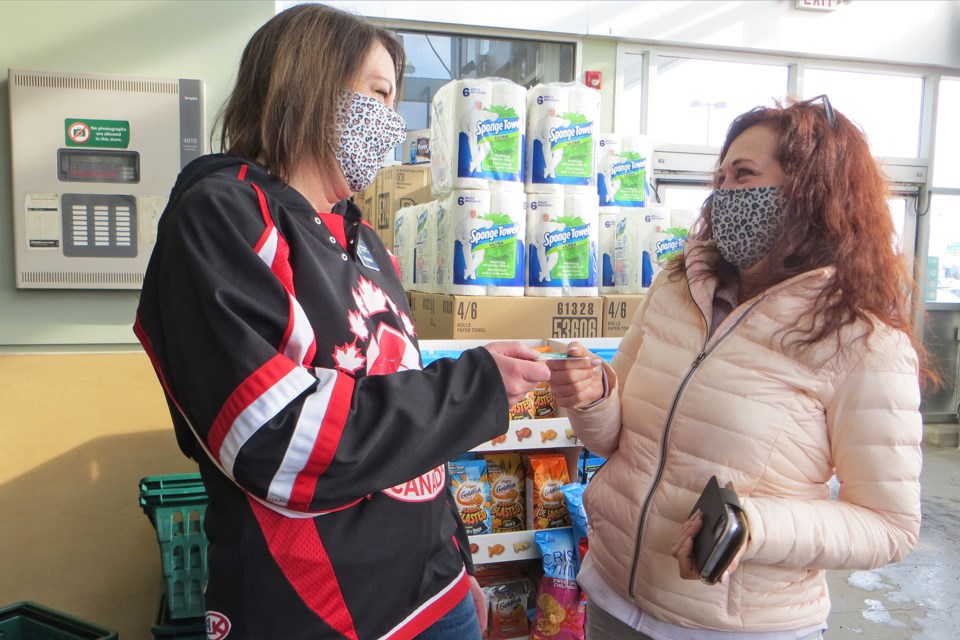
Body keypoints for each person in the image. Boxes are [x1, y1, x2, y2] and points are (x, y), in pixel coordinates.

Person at [134, 5, 550, 639]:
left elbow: (407, 430)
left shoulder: (367, 244)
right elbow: (278, 439)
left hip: (436, 593)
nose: (391, 120)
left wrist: (458, 561)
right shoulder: (224, 216)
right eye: (379, 94)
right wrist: (474, 384)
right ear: (309, 85)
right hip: (323, 613)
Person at [545, 95, 932, 640]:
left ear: (810, 192)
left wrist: (755, 527)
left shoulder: (862, 340)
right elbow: (612, 442)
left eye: (743, 175)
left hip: (734, 626)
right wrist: (592, 396)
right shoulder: (677, 288)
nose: (723, 193)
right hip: (612, 593)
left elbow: (890, 526)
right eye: (720, 177)